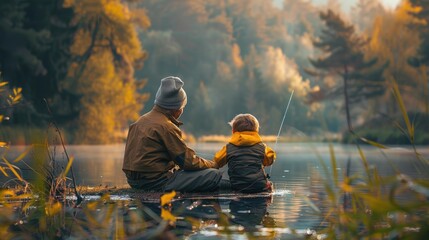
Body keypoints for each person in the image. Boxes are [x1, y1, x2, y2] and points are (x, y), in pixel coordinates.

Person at [122, 76, 222, 192]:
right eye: (182, 107)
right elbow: (188, 162)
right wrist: (213, 164)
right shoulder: (167, 127)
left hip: (133, 181)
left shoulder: (139, 121)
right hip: (156, 183)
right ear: (177, 109)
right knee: (213, 175)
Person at [213, 113, 276, 193]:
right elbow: (270, 159)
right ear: (256, 131)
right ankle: (267, 191)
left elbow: (217, 162)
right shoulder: (262, 147)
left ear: (233, 131)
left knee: (217, 182)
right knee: (269, 184)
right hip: (259, 186)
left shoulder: (228, 148)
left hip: (236, 186)